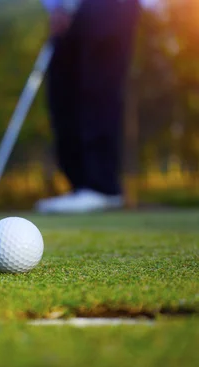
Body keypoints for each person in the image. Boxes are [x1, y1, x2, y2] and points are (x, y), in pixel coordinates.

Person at [35, 0, 144, 213]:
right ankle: (81, 186)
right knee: (62, 93)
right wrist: (55, 5)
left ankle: (102, 186)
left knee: (98, 87)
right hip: (67, 9)